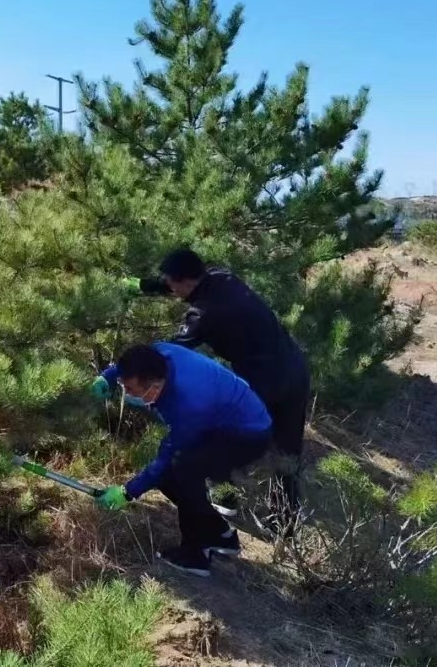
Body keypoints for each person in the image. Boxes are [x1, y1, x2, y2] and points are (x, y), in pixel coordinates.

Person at [122, 247, 310, 524]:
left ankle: (225, 500)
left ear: (186, 281)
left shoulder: (204, 314)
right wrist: (143, 286)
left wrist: (125, 372)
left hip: (263, 380)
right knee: (288, 450)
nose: (171, 288)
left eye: (172, 283)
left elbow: (165, 354)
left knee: (218, 432)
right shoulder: (221, 276)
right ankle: (285, 520)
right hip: (295, 368)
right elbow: (176, 281)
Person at [92, 343, 271, 577]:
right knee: (171, 475)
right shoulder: (160, 354)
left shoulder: (189, 404)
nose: (127, 393)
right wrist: (108, 376)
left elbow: (167, 458)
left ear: (155, 386)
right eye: (123, 386)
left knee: (182, 472)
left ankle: (196, 554)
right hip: (223, 417)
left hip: (247, 434)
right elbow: (131, 365)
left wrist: (127, 492)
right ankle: (219, 534)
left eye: (132, 389)